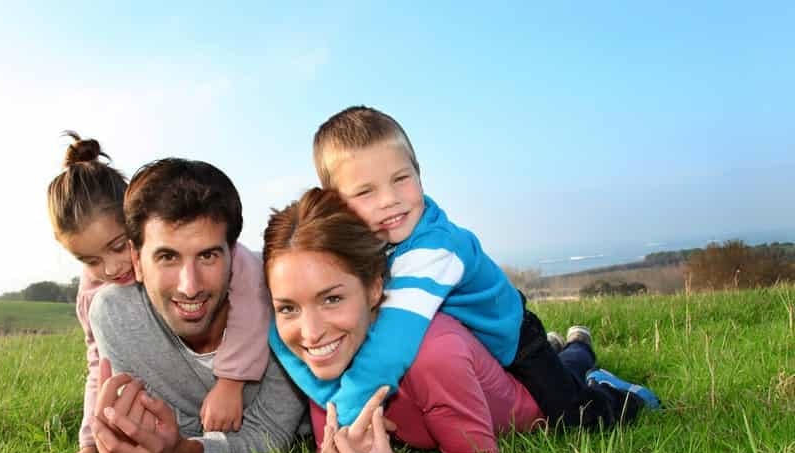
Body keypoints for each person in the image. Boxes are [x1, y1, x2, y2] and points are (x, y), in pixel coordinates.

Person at [269, 106, 659, 430]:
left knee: (573, 416)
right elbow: (282, 329)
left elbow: (391, 345)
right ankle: (575, 348)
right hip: (468, 345)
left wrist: (348, 416)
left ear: (419, 173)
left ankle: (613, 390)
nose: (390, 200)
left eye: (401, 179)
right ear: (336, 201)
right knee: (550, 376)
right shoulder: (358, 244)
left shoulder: (435, 249)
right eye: (366, 191)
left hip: (509, 335)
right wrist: (327, 396)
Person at [264, 188, 548, 453]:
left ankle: (579, 354)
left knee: (581, 371)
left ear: (374, 289)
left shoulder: (435, 354)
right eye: (288, 308)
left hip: (529, 407)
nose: (310, 333)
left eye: (331, 299)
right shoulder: (322, 355)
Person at [44, 133, 273, 453]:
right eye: (90, 261)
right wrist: (92, 440)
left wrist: (231, 382)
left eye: (118, 246)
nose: (111, 268)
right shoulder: (100, 299)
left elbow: (254, 309)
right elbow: (99, 368)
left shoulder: (247, 268)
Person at [87, 158, 309, 453]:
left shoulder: (281, 299)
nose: (189, 286)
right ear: (136, 260)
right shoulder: (115, 316)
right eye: (167, 257)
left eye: (207, 256)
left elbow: (271, 434)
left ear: (233, 253)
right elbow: (167, 430)